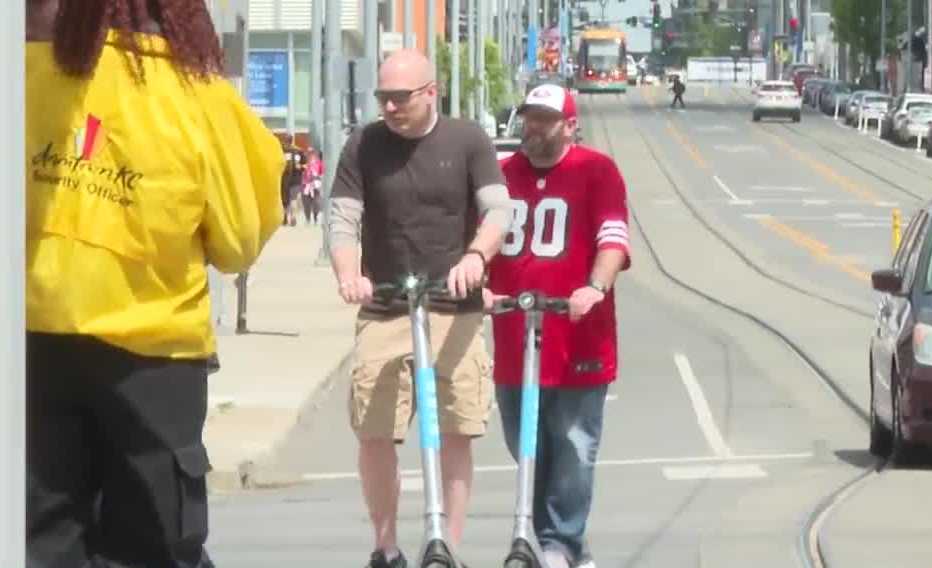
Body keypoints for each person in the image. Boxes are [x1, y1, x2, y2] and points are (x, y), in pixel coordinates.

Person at [26, 1, 284, 567]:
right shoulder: (195, 94)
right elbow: (239, 237)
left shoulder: (27, 71)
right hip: (153, 357)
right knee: (157, 545)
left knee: (41, 542)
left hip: (36, 344)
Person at [328, 49, 513, 568]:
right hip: (386, 305)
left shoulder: (468, 139)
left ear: (431, 92)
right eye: (382, 97)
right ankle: (385, 546)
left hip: (455, 306)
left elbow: (498, 209)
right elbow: (343, 220)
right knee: (374, 431)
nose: (389, 107)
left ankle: (447, 544)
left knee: (457, 429)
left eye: (400, 97)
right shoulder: (363, 144)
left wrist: (477, 255)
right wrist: (349, 274)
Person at [485, 84, 631, 568]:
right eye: (529, 118)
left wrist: (594, 287)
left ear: (570, 125)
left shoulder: (596, 171)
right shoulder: (501, 176)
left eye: (545, 120)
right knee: (524, 446)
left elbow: (612, 237)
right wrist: (480, 286)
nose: (533, 128)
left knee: (572, 447)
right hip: (515, 336)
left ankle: (558, 544)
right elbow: (479, 240)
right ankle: (568, 542)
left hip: (578, 340)